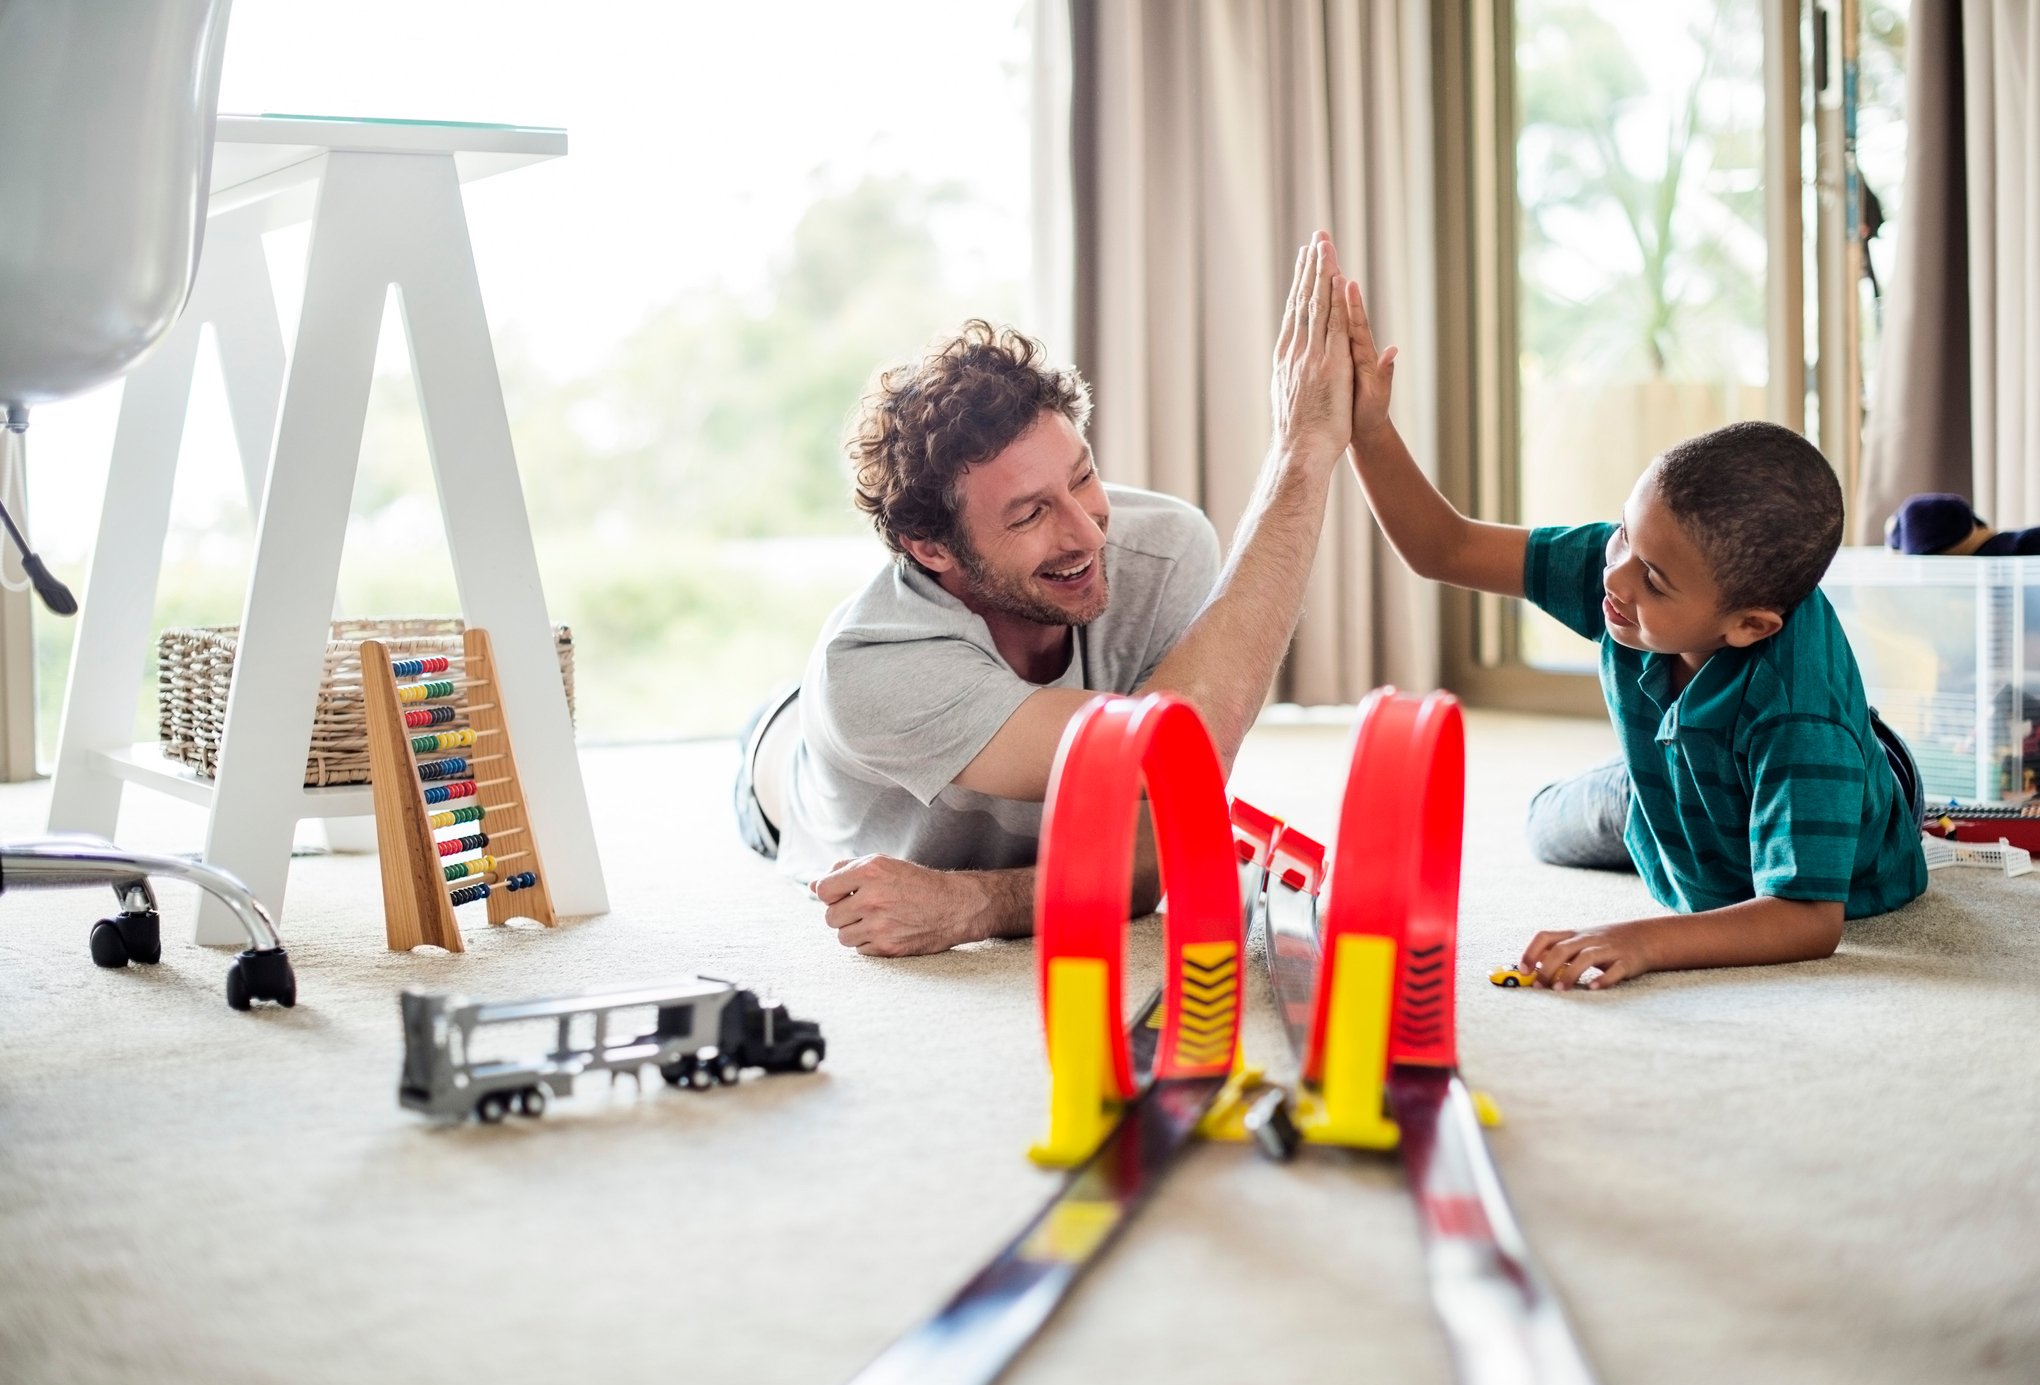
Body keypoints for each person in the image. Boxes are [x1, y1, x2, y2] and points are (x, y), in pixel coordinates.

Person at [734, 233, 1357, 957]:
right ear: (931, 547)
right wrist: (1298, 455)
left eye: (1082, 476)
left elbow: (1160, 845)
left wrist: (972, 904)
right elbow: (1172, 768)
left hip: (954, 714)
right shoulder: (870, 671)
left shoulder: (1162, 546)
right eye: (1029, 514)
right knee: (787, 734)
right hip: (796, 769)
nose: (1087, 535)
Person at [1337, 282, 1927, 991]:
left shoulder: (1802, 720)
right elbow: (1446, 547)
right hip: (1667, 790)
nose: (1614, 578)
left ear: (1749, 626)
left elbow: (1806, 920)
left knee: (1767, 854)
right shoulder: (1633, 562)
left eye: (1652, 580)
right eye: (1622, 532)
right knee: (1541, 826)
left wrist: (1639, 942)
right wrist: (1367, 427)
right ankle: (1657, 787)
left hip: (1821, 809)